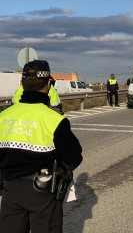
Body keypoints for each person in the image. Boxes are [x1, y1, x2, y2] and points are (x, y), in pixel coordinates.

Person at [0, 60, 83, 233]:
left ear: (21, 84)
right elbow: (74, 157)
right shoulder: (55, 119)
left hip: (10, 191)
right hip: (43, 193)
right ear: (48, 84)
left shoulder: (3, 116)